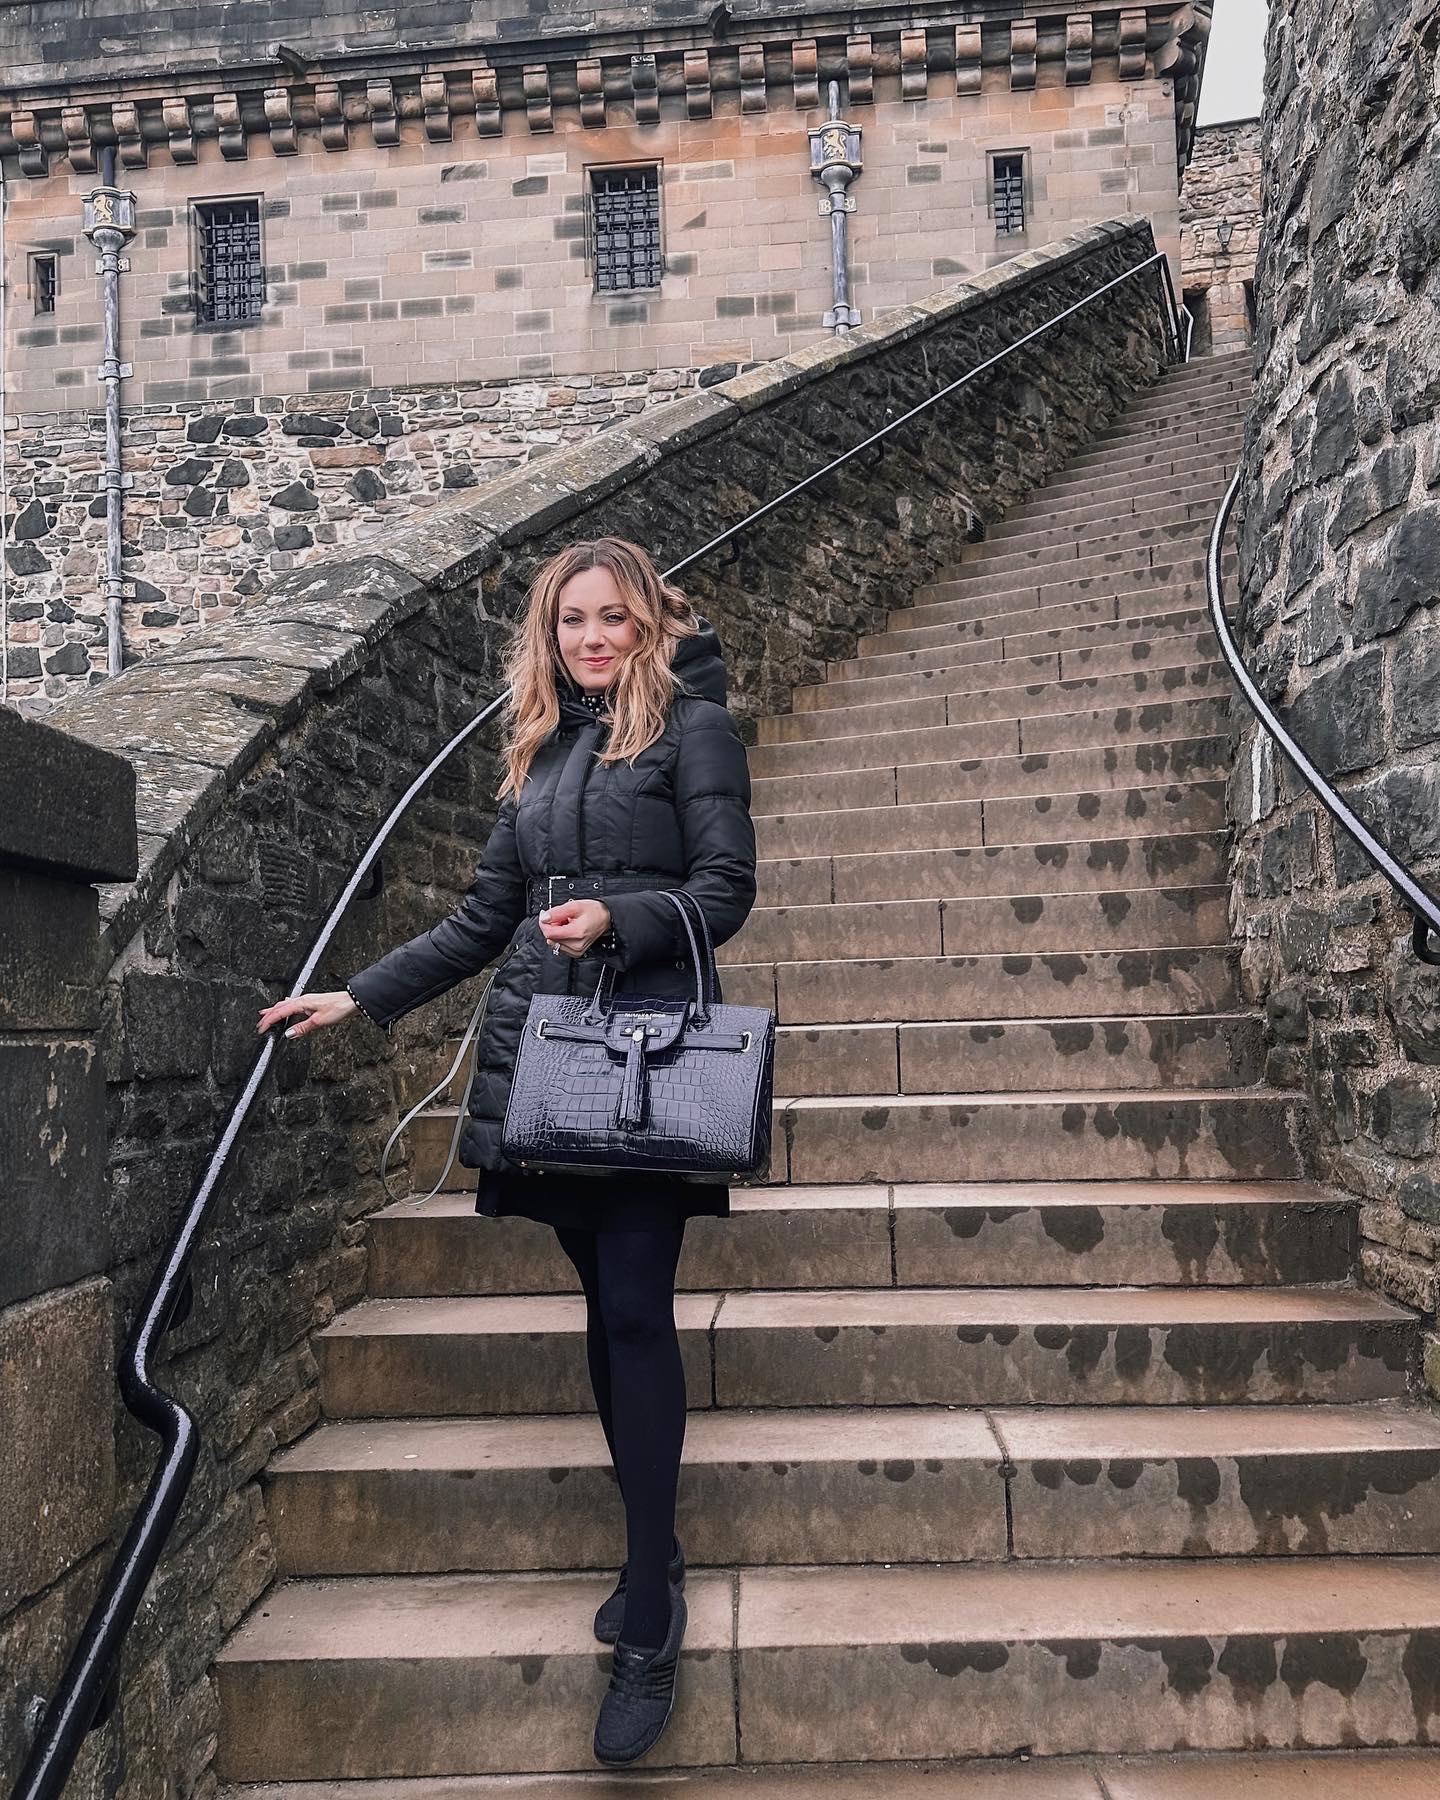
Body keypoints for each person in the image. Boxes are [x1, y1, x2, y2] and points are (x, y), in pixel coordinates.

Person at [256, 535, 758, 1768]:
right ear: (548, 635)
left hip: (641, 1057)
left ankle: (650, 1610)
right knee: (600, 1313)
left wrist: (621, 918)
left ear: (650, 622)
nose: (593, 638)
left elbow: (727, 886)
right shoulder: (537, 749)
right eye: (572, 621)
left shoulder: (693, 728)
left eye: (614, 619)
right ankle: (659, 1547)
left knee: (636, 1315)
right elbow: (484, 917)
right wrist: (357, 998)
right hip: (546, 1060)